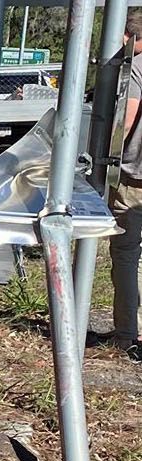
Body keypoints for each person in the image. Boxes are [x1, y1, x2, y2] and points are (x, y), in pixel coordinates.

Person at [108, 11, 142, 363]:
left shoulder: (138, 66)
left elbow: (128, 117)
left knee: (127, 256)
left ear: (127, 37)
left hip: (136, 179)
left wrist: (106, 158)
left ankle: (126, 335)